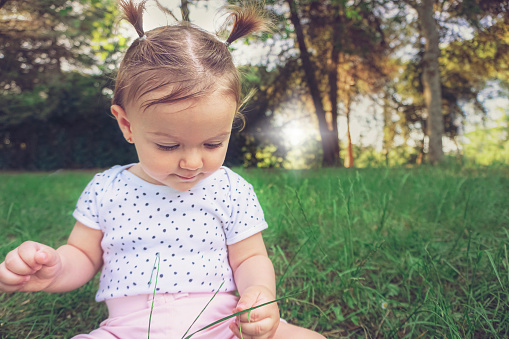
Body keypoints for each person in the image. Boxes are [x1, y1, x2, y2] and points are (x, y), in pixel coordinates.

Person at [0, 1, 325, 339]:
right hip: (128, 329)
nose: (193, 163)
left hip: (223, 325)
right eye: (169, 146)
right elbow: (82, 254)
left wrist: (260, 295)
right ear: (127, 124)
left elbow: (249, 258)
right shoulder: (106, 189)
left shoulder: (231, 188)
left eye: (213, 143)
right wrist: (54, 270)